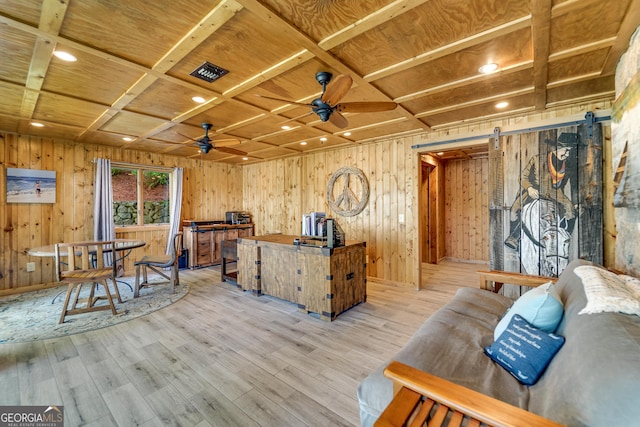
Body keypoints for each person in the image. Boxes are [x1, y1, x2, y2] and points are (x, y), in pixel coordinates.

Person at [504, 132, 578, 250]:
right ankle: (514, 237)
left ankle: (563, 237)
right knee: (515, 210)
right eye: (566, 150)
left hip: (555, 192)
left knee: (571, 209)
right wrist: (529, 188)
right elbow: (523, 177)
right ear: (556, 148)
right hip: (535, 190)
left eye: (570, 151)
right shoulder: (537, 159)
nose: (567, 154)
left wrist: (574, 201)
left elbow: (573, 184)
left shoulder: (568, 165)